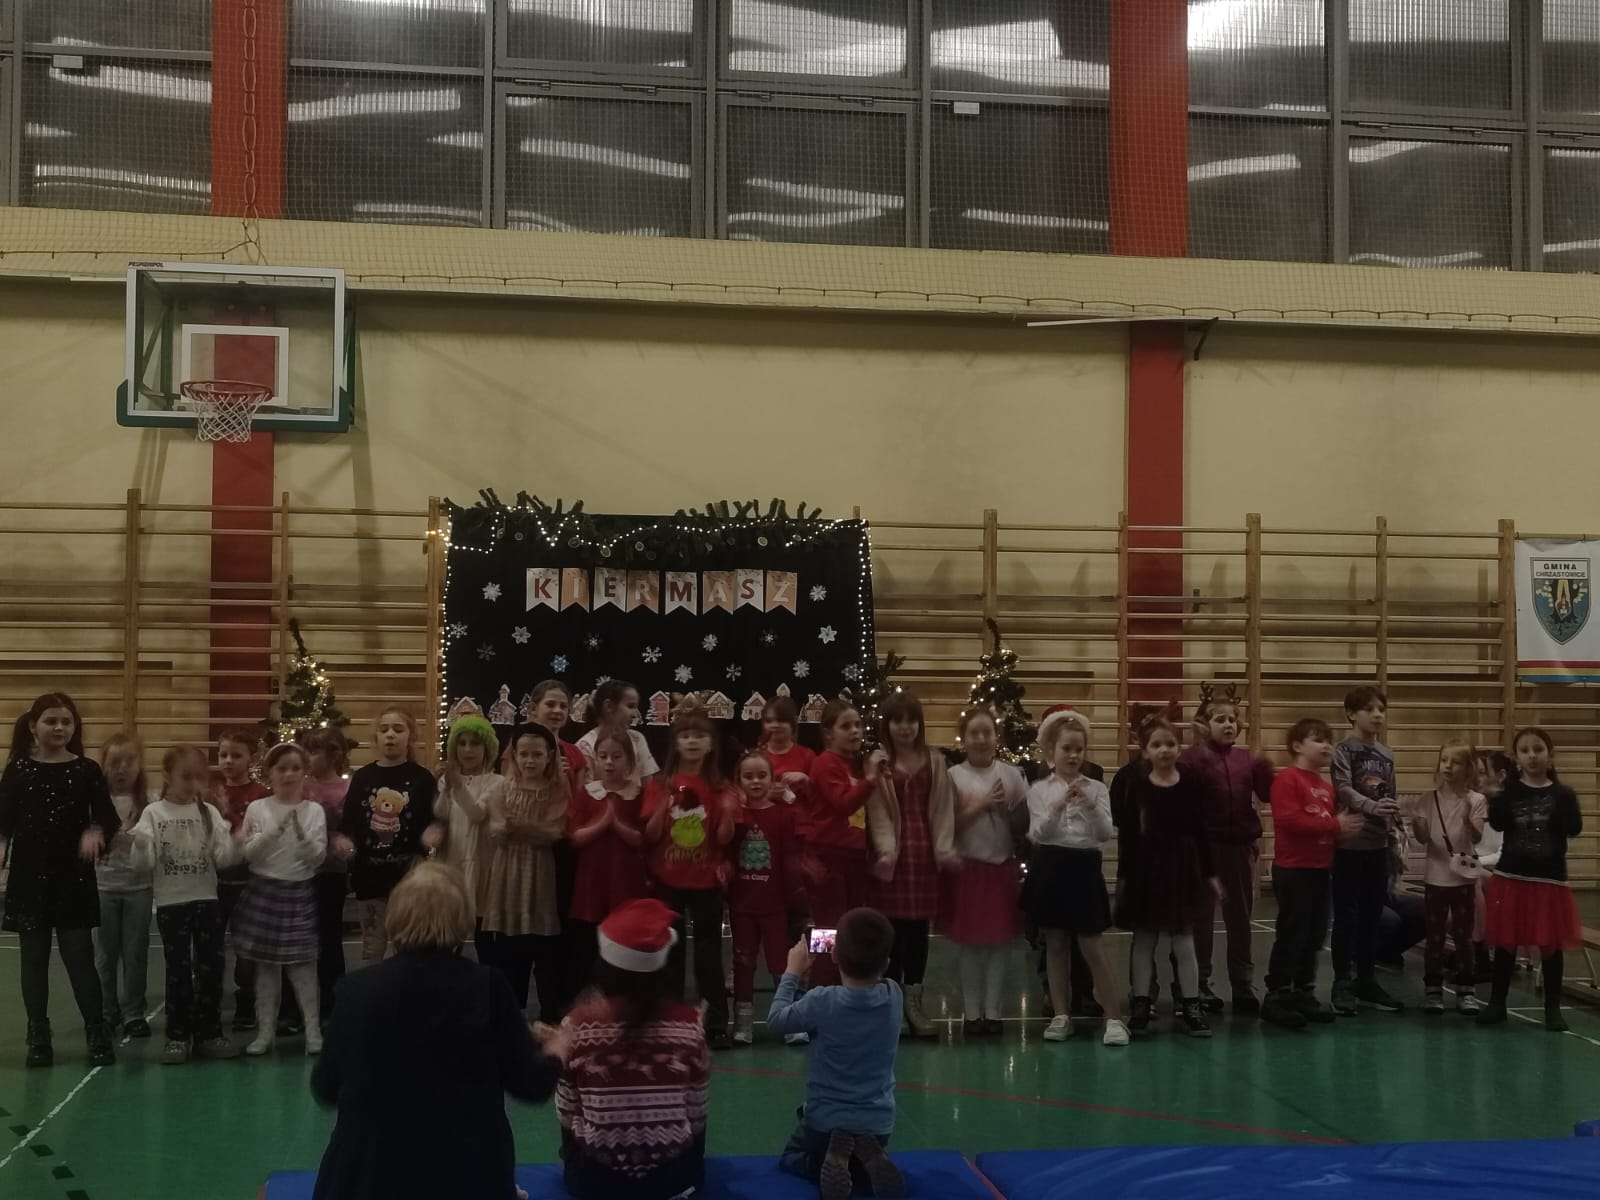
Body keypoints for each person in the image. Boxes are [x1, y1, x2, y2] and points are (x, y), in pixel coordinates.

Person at [311, 861, 567, 1200]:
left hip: (368, 1180)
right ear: (461, 918)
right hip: (467, 1177)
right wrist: (557, 1050)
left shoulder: (354, 990)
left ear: (396, 915)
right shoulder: (488, 987)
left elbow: (326, 1087)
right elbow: (531, 1085)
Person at [554, 898, 710, 1199]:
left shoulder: (577, 1024)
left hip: (596, 1182)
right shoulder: (690, 1024)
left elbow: (566, 1111)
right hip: (672, 1180)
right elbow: (697, 1114)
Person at [0, 692, 122, 1068]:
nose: (59, 727)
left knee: (79, 957)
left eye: (66, 722)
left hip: (73, 878)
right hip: (29, 878)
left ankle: (96, 1029)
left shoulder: (86, 770)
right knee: (33, 959)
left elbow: (108, 817)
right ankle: (38, 1033)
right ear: (33, 726)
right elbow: (3, 820)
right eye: (51, 721)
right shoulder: (18, 770)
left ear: (75, 727)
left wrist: (96, 832)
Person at [769, 906, 905, 1200]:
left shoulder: (822, 1001)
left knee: (790, 1158)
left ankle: (823, 1161)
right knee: (862, 1142)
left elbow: (777, 1020)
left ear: (833, 954)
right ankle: (866, 1157)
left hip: (825, 1120)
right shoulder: (894, 995)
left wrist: (792, 973)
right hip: (879, 1123)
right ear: (886, 963)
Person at [1021, 706, 1128, 1047]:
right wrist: (1057, 807)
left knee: (1092, 945)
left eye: (1079, 749)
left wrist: (1090, 807)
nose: (1073, 755)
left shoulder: (1096, 788)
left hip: (1084, 868)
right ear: (1051, 751)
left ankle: (1114, 1019)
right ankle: (1061, 1015)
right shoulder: (1039, 790)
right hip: (1051, 866)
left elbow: (1104, 833)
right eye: (1066, 748)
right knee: (1055, 945)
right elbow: (1037, 833)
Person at [131, 744, 240, 1063]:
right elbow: (143, 865)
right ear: (167, 775)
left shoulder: (208, 812)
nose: (193, 783)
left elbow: (223, 859)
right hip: (172, 902)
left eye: (199, 777)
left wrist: (236, 841)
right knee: (177, 970)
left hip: (206, 899)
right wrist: (141, 845)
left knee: (211, 967)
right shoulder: (154, 813)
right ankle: (177, 1036)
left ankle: (209, 1033)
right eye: (186, 776)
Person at [1117, 714, 1220, 1038]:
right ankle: (1141, 1003)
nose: (1164, 749)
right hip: (1146, 871)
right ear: (1145, 751)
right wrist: (1124, 877)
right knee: (1144, 939)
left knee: (1184, 940)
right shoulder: (1137, 787)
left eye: (1170, 743)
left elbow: (1202, 832)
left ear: (1179, 748)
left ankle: (1191, 1005)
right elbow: (1128, 837)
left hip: (1182, 870)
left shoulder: (1190, 785)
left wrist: (1210, 873)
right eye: (1156, 744)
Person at [642, 702, 738, 1048]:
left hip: (706, 881)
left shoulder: (721, 787)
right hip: (667, 878)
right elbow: (650, 836)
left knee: (709, 956)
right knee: (671, 952)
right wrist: (661, 808)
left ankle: (715, 1024)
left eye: (699, 736)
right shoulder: (661, 783)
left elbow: (724, 839)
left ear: (710, 744)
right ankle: (670, 1022)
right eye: (685, 736)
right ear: (676, 743)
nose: (692, 741)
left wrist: (728, 813)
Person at [1261, 718, 1364, 1030]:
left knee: (1315, 934)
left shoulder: (1325, 788)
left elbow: (1327, 828)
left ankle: (1303, 991)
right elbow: (1290, 821)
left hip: (1320, 870)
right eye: (1318, 739)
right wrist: (1334, 825)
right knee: (1293, 933)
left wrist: (1343, 832)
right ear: (1297, 746)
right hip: (1294, 870)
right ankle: (1277, 996)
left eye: (1329, 740)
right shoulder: (1288, 780)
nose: (1327, 746)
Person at [866, 691, 956, 1040]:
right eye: (897, 721)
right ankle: (890, 1004)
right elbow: (876, 811)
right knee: (892, 934)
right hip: (893, 858)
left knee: (918, 932)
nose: (905, 727)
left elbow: (944, 808)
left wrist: (944, 848)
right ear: (887, 725)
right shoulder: (879, 762)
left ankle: (914, 1002)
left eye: (911, 720)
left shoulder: (935, 760)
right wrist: (885, 850)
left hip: (924, 857)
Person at [1178, 684, 1273, 1013]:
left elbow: (1268, 793)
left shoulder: (1246, 760)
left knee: (1240, 918)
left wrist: (1265, 767)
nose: (1229, 724)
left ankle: (1242, 984)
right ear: (1204, 725)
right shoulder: (1191, 760)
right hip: (1205, 850)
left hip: (1239, 848)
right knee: (1202, 919)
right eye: (1220, 719)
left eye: (1232, 719)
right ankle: (1200, 983)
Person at [1480, 727, 1583, 1031]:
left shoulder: (1563, 794)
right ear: (1516, 758)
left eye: (1538, 749)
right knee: (1506, 943)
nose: (1532, 755)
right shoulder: (1510, 792)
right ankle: (1497, 1003)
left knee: (1549, 944)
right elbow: (1498, 824)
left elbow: (1574, 828)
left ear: (1550, 755)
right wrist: (1494, 798)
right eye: (1524, 750)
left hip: (1549, 880)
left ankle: (1552, 1008)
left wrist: (1566, 808)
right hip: (1512, 877)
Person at [234, 741, 329, 1056]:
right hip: (265, 890)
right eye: (282, 768)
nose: (288, 774)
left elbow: (318, 858)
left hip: (298, 891)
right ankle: (265, 1033)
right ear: (270, 773)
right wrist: (273, 832)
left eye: (295, 768)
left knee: (304, 967)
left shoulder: (313, 811)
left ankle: (313, 1031)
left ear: (304, 773)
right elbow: (249, 854)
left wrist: (302, 837)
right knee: (265, 968)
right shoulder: (257, 809)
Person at [332, 708, 442, 963]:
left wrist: (434, 831)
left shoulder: (422, 778)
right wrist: (342, 840)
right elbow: (349, 821)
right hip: (369, 874)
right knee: (372, 944)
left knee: (408, 942)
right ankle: (374, 987)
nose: (390, 735)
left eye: (398, 729)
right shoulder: (363, 777)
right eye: (384, 730)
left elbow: (433, 819)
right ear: (376, 738)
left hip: (409, 875)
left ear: (410, 737)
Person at [477, 724, 570, 1018]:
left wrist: (518, 827)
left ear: (549, 756)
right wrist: (521, 829)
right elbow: (497, 829)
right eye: (524, 754)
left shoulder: (556, 789)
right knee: (509, 947)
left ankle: (550, 1015)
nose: (530, 761)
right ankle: (510, 1013)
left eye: (537, 754)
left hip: (540, 872)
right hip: (508, 873)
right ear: (514, 755)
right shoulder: (502, 787)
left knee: (544, 949)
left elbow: (553, 832)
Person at [945, 708, 1027, 1036]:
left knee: (999, 944)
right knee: (970, 945)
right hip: (968, 869)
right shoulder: (954, 776)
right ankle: (971, 1011)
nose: (980, 739)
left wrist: (1006, 811)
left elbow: (1023, 826)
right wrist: (980, 805)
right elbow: (947, 825)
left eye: (986, 732)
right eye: (974, 733)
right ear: (963, 739)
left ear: (996, 737)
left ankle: (993, 1012)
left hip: (1000, 868)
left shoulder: (1011, 775)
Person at [1330, 685, 1404, 1016]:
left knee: (1372, 916)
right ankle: (1341, 981)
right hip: (1350, 845)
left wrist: (1393, 837)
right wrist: (1372, 807)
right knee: (1347, 916)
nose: (1377, 715)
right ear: (1351, 714)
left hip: (1377, 845)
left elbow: (1391, 796)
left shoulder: (1387, 755)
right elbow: (1343, 789)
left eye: (1381, 709)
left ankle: (1366, 978)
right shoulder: (1343, 750)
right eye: (1369, 709)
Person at [804, 701, 886, 989]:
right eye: (846, 726)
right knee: (828, 930)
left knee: (849, 928)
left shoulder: (851, 765)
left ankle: (842, 987)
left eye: (858, 725)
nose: (855, 731)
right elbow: (842, 804)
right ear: (828, 733)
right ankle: (820, 988)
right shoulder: (825, 763)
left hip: (852, 858)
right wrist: (871, 779)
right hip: (829, 857)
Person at [1404, 737, 1487, 1015]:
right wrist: (1417, 823)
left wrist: (1467, 821)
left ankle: (1466, 990)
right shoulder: (1428, 799)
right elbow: (1423, 839)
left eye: (1456, 762)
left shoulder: (1476, 800)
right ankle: (1433, 989)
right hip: (1435, 878)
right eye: (1444, 760)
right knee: (1435, 936)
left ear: (1469, 768)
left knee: (1464, 937)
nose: (1448, 766)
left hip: (1463, 879)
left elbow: (1476, 837)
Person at [729, 749, 803, 1045]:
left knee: (780, 963)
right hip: (742, 906)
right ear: (738, 781)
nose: (756, 781)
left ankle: (789, 1019)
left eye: (762, 775)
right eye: (748, 776)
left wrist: (795, 892)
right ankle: (743, 1022)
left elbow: (789, 857)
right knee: (743, 963)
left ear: (772, 779)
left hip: (775, 905)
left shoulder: (783, 814)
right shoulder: (735, 816)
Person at [567, 728, 647, 985]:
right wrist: (603, 824)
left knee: (624, 942)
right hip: (593, 882)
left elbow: (643, 839)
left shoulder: (637, 794)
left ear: (630, 761)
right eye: (603, 756)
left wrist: (618, 826)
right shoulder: (588, 793)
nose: (609, 762)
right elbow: (575, 837)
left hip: (625, 881)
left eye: (616, 756)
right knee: (591, 946)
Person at [94, 731, 156, 1039]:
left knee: (135, 954)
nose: (121, 769)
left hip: (138, 890)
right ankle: (107, 1011)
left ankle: (134, 1012)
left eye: (129, 761)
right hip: (102, 889)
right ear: (103, 765)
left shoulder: (151, 802)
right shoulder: (93, 802)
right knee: (105, 956)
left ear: (140, 764)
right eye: (114, 762)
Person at [214, 727, 269, 1032]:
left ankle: (246, 1003)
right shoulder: (210, 794)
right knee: (210, 946)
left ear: (251, 758)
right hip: (214, 884)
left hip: (248, 884)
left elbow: (254, 836)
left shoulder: (260, 796)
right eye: (223, 754)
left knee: (247, 949)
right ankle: (208, 1001)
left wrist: (229, 814)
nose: (228, 761)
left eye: (236, 755)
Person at [299, 727, 353, 1018]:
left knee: (330, 939)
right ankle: (297, 1006)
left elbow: (350, 829)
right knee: (300, 939)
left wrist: (339, 839)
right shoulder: (301, 786)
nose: (306, 757)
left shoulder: (346, 788)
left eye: (313, 751)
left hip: (331, 872)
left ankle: (332, 1004)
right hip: (300, 871)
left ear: (333, 755)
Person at [433, 715, 503, 904]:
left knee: (477, 909)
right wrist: (446, 790)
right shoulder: (447, 780)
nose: (467, 749)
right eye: (462, 743)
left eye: (475, 743)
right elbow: (441, 814)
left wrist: (458, 787)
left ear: (487, 748)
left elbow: (477, 814)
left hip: (479, 859)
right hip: (451, 856)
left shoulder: (496, 782)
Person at [577, 679, 659, 788]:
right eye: (630, 706)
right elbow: (584, 791)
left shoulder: (637, 739)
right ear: (609, 706)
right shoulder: (585, 745)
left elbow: (648, 784)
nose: (635, 714)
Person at [527, 678, 589, 793]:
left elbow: (578, 796)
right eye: (550, 704)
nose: (557, 710)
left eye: (563, 706)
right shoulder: (519, 748)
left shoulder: (575, 753)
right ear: (533, 709)